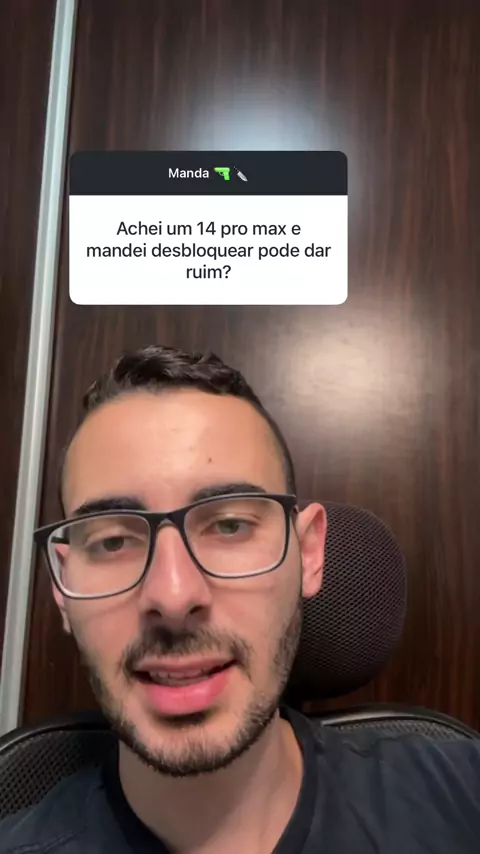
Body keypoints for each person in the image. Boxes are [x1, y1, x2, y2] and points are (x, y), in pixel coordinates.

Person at [1, 344, 480, 854]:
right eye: (113, 541)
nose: (174, 596)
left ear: (308, 555)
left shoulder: (463, 796)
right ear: (62, 585)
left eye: (230, 525)